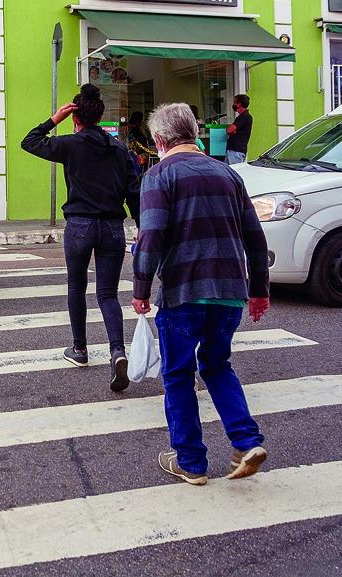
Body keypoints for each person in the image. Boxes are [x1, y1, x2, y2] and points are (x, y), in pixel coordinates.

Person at [131, 103, 271, 486]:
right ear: (194, 133)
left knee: (178, 374)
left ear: (159, 140)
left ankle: (191, 461)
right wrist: (258, 290)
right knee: (217, 365)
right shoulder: (228, 174)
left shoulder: (159, 175)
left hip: (184, 291)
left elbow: (152, 235)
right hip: (229, 293)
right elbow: (255, 237)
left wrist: (141, 289)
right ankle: (246, 441)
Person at [21, 84, 140, 393]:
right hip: (113, 226)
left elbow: (29, 142)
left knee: (76, 285)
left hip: (80, 225)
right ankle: (118, 351)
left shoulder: (70, 144)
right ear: (99, 116)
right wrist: (141, 225)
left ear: (76, 115)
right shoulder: (119, 149)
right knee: (108, 294)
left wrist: (54, 118)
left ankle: (80, 350)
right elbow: (134, 192)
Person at [225, 94, 253, 165]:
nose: (233, 104)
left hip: (236, 152)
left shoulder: (244, 116)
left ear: (239, 104)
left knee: (233, 173)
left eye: (235, 102)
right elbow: (232, 130)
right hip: (235, 151)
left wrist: (232, 130)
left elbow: (229, 130)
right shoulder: (243, 116)